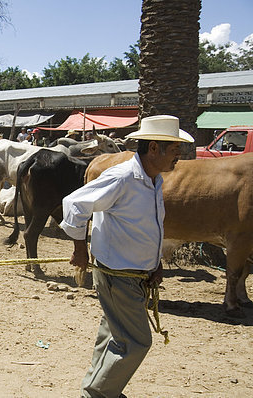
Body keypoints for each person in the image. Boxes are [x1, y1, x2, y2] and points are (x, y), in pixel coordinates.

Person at [59, 115, 194, 398]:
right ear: (154, 148)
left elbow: (147, 227)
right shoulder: (122, 177)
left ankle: (96, 389)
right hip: (117, 276)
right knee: (137, 341)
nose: (178, 157)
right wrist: (80, 249)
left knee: (113, 335)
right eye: (174, 150)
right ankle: (99, 394)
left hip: (135, 275)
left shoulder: (153, 181)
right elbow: (74, 204)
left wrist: (154, 264)